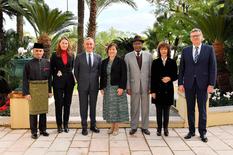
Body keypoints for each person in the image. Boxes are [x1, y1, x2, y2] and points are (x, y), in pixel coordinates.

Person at [178, 28, 217, 142]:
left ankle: (203, 133)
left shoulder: (209, 49)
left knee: (202, 109)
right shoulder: (185, 50)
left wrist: (211, 84)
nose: (195, 37)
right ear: (190, 38)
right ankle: (191, 131)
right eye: (193, 36)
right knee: (190, 109)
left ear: (202, 37)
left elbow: (213, 68)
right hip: (189, 84)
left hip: (203, 85)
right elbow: (181, 69)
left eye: (197, 35)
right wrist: (180, 83)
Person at [124, 35, 153, 135]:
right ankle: (134, 127)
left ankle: (145, 127)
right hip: (133, 86)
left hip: (146, 86)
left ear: (142, 44)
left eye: (139, 43)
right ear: (133, 45)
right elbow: (127, 72)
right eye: (136, 43)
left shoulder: (149, 56)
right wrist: (127, 87)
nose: (137, 45)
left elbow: (151, 73)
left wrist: (151, 86)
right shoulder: (127, 56)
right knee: (134, 107)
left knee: (145, 108)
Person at [23, 43, 51, 139]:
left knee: (43, 111)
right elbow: (25, 79)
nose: (38, 52)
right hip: (33, 89)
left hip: (44, 89)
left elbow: (50, 79)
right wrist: (26, 93)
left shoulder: (47, 63)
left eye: (40, 51)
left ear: (43, 52)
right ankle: (34, 132)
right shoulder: (28, 64)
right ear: (33, 52)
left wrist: (49, 90)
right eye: (36, 51)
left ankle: (43, 130)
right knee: (33, 111)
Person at [74, 37, 102, 136]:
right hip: (82, 86)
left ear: (93, 45)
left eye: (91, 44)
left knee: (93, 106)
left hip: (94, 86)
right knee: (83, 107)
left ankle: (93, 126)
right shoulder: (78, 57)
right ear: (84, 45)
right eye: (87, 44)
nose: (89, 45)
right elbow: (76, 72)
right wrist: (81, 82)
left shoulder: (98, 57)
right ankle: (84, 127)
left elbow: (100, 72)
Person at [100, 43, 129, 136]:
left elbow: (124, 75)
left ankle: (116, 127)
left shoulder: (121, 61)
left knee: (117, 108)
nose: (111, 51)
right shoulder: (104, 62)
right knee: (110, 108)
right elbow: (102, 75)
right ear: (107, 51)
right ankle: (112, 127)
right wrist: (101, 87)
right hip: (107, 88)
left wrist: (122, 87)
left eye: (113, 49)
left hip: (117, 88)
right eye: (110, 49)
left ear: (116, 51)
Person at [151, 42, 177, 136]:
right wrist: (152, 91)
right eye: (161, 49)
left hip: (168, 90)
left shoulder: (172, 62)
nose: (163, 51)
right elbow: (153, 78)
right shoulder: (155, 62)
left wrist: (169, 78)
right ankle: (159, 129)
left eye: (165, 49)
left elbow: (175, 75)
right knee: (158, 112)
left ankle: (165, 129)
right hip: (157, 90)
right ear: (159, 51)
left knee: (166, 112)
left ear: (168, 50)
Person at [50, 36, 75, 133]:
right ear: (59, 44)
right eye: (63, 43)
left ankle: (66, 125)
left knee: (67, 104)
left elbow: (71, 67)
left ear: (68, 45)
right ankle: (59, 125)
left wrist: (65, 72)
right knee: (59, 103)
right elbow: (52, 69)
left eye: (66, 43)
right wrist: (57, 72)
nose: (64, 45)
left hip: (69, 82)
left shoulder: (72, 55)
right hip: (58, 82)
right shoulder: (54, 55)